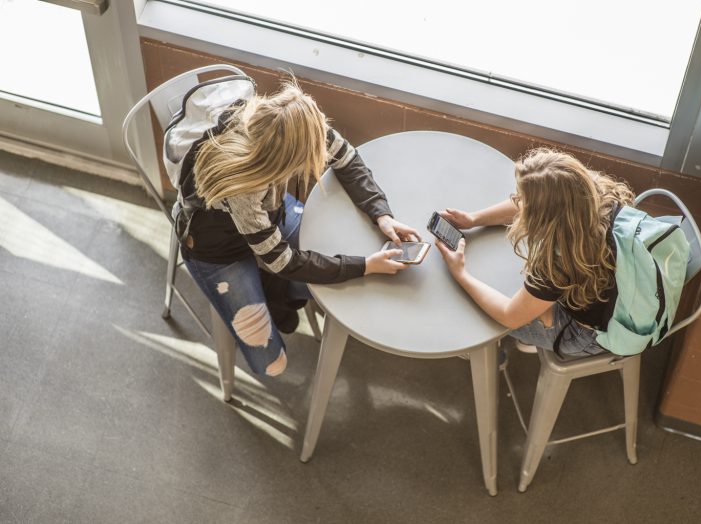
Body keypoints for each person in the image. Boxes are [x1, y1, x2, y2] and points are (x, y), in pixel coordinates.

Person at [167, 77, 419, 377]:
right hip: (217, 250)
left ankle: (280, 294)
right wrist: (364, 266)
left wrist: (382, 214)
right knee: (271, 363)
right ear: (282, 163)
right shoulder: (244, 188)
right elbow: (281, 261)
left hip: (269, 213)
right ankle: (276, 297)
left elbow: (347, 159)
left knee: (342, 277)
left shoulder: (289, 122)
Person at [435, 147, 635, 357]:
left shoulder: (559, 263)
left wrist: (460, 274)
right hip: (627, 295)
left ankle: (482, 351)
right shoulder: (598, 195)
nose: (516, 201)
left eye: (522, 200)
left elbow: (509, 315)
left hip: (589, 335)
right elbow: (539, 198)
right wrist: (474, 219)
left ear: (544, 216)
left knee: (476, 304)